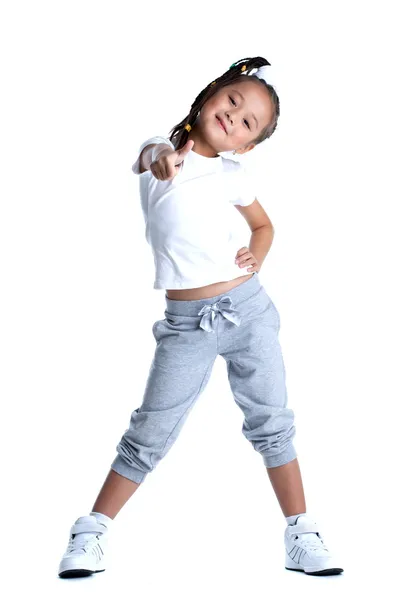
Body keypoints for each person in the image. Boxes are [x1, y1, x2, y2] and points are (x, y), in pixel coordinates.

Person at [58, 56, 343, 579]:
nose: (234, 116)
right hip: (187, 325)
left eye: (248, 121)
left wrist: (259, 254)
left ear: (248, 145)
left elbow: (264, 226)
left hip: (249, 312)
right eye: (232, 101)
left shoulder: (234, 174)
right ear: (210, 94)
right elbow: (152, 154)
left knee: (272, 422)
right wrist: (164, 155)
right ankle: (91, 529)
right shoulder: (161, 155)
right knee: (150, 429)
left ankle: (301, 532)